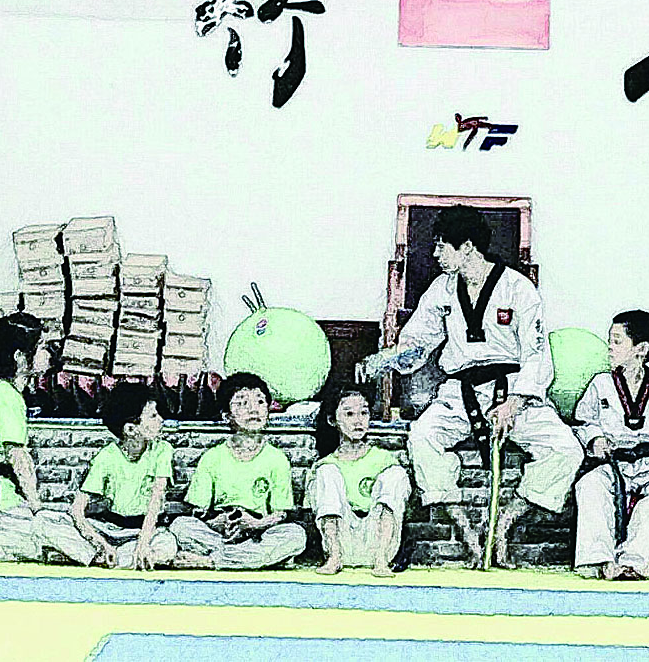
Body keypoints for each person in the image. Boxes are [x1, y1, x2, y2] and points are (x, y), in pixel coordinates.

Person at [359, 205, 583, 567]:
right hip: (459, 393)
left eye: (441, 246)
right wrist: (385, 360)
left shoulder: (517, 289)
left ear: (466, 247)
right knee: (423, 437)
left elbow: (537, 353)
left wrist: (514, 403)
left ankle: (505, 522)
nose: (435, 254)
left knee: (566, 449)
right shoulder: (442, 290)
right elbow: (417, 344)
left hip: (514, 391)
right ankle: (467, 530)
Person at [572, 310, 649, 580]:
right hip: (611, 460)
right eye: (610, 340)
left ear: (641, 349)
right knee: (590, 485)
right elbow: (583, 420)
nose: (610, 347)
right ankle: (601, 560)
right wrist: (595, 439)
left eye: (617, 341)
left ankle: (633, 562)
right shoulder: (601, 384)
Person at [169, 372, 306, 569]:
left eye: (260, 402)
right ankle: (252, 559)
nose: (253, 409)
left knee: (295, 535)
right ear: (227, 415)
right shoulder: (212, 457)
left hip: (259, 531)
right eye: (242, 403)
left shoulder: (277, 459)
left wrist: (255, 524)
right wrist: (219, 522)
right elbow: (198, 511)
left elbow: (280, 514)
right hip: (222, 532)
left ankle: (211, 561)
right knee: (180, 526)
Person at [34, 382, 178, 569]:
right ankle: (106, 556)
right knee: (43, 520)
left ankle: (102, 559)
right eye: (152, 416)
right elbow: (77, 510)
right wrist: (100, 543)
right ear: (130, 430)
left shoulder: (162, 450)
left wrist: (142, 544)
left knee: (167, 545)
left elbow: (155, 502)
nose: (160, 420)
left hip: (143, 531)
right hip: (107, 529)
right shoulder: (106, 456)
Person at [307, 388, 411, 577]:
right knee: (326, 472)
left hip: (377, 542)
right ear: (332, 420)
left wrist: (381, 554)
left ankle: (381, 560)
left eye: (363, 413)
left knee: (396, 474)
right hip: (343, 542)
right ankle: (334, 557)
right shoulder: (327, 463)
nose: (358, 421)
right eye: (349, 414)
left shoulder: (383, 459)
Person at [0, 312, 49, 561]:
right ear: (19, 356)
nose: (47, 354)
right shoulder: (7, 396)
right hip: (4, 504)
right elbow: (17, 457)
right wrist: (36, 506)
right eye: (41, 348)